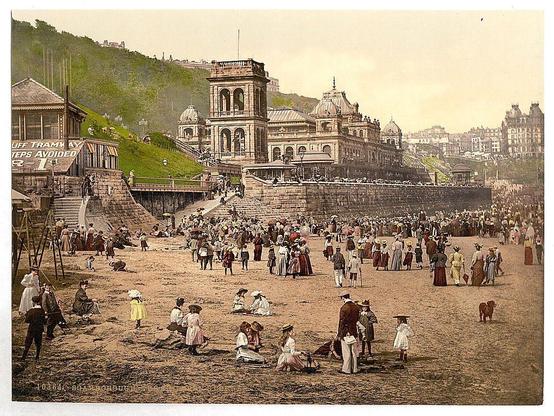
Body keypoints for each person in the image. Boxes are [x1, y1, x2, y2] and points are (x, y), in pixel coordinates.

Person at [337, 290, 360, 374]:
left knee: (346, 351)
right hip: (354, 330)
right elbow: (357, 319)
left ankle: (346, 369)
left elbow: (342, 321)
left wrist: (339, 333)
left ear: (343, 298)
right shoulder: (356, 307)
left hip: (346, 331)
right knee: (354, 351)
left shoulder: (344, 308)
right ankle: (354, 368)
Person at [21, 296, 46, 361]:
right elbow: (44, 321)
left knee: (28, 343)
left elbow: (27, 321)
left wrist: (26, 315)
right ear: (39, 302)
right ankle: (37, 357)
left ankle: (23, 357)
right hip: (39, 329)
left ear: (33, 302)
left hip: (31, 329)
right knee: (38, 343)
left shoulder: (31, 311)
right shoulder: (42, 311)